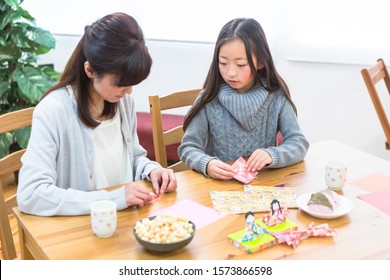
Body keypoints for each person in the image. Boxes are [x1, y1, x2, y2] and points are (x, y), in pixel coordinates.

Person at [17, 13, 177, 216]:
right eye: (121, 84)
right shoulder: (53, 111)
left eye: (131, 84)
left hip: (127, 217)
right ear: (90, 70)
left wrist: (153, 170)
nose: (129, 91)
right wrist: (113, 199)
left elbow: (133, 157)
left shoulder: (122, 101)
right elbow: (31, 194)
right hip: (84, 227)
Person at [178, 18, 309, 180]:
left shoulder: (276, 96)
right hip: (218, 189)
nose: (231, 72)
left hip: (263, 187)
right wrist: (207, 163)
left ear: (260, 62)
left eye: (240, 64)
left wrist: (272, 154)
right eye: (223, 63)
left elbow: (299, 143)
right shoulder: (208, 98)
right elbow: (188, 147)